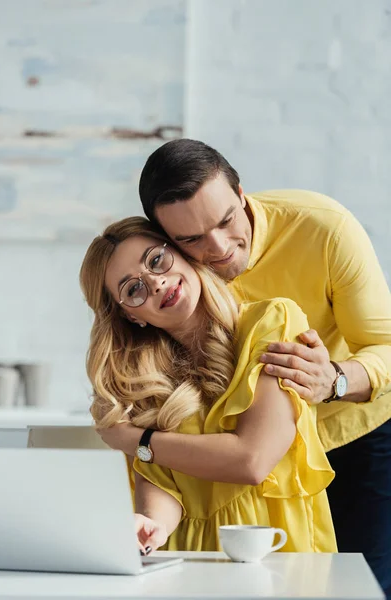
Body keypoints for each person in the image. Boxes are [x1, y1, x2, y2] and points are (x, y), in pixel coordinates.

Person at [99, 139, 391, 597]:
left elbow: (385, 345)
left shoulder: (322, 230)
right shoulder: (160, 322)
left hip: (354, 428)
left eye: (226, 220)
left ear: (240, 193)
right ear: (167, 238)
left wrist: (333, 379)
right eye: (190, 239)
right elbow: (166, 480)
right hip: (239, 465)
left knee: (363, 580)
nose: (216, 248)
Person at [80, 216, 337, 554]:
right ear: (132, 316)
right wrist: (150, 524)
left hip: (274, 549)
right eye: (133, 289)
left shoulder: (273, 322)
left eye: (156, 261)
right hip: (189, 557)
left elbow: (253, 459)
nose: (155, 283)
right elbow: (163, 486)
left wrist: (135, 439)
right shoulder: (140, 380)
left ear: (181, 252)